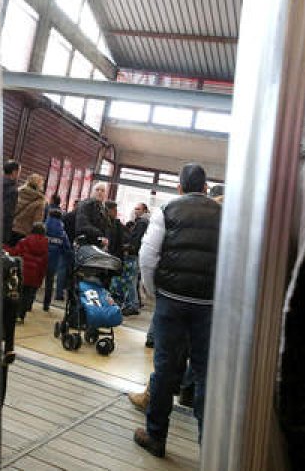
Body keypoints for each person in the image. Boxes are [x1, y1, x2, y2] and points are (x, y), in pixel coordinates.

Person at [133, 163, 221, 458]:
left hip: (172, 300)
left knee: (165, 370)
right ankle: (207, 447)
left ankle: (156, 437)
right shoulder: (223, 215)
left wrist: (154, 291)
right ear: (205, 187)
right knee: (206, 373)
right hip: (208, 306)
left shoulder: (166, 210)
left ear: (180, 187)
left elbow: (147, 256)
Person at [5, 222, 48, 324]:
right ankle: (21, 316)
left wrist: (5, 248)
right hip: (36, 274)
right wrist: (41, 278)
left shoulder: (25, 241)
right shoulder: (46, 245)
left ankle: (15, 314)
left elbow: (15, 253)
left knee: (19, 294)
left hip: (23, 271)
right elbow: (45, 263)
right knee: (27, 296)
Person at [42, 207, 70, 311]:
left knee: (35, 281)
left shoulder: (43, 228)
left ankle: (28, 303)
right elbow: (66, 248)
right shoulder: (62, 233)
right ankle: (46, 304)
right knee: (49, 282)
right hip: (53, 261)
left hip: (40, 258)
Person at [11, 174, 46, 245]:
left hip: (10, 228)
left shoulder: (18, 192)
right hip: (24, 234)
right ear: (39, 185)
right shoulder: (40, 201)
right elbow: (37, 222)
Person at [74, 181, 111, 247]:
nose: (100, 192)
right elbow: (83, 225)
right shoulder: (86, 205)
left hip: (97, 243)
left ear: (105, 194)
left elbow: (107, 227)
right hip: (85, 243)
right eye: (97, 190)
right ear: (92, 192)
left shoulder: (104, 209)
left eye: (103, 190)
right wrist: (100, 235)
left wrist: (105, 238)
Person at [2, 160, 20, 244]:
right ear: (14, 172)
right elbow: (8, 212)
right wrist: (6, 235)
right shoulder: (13, 190)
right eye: (18, 172)